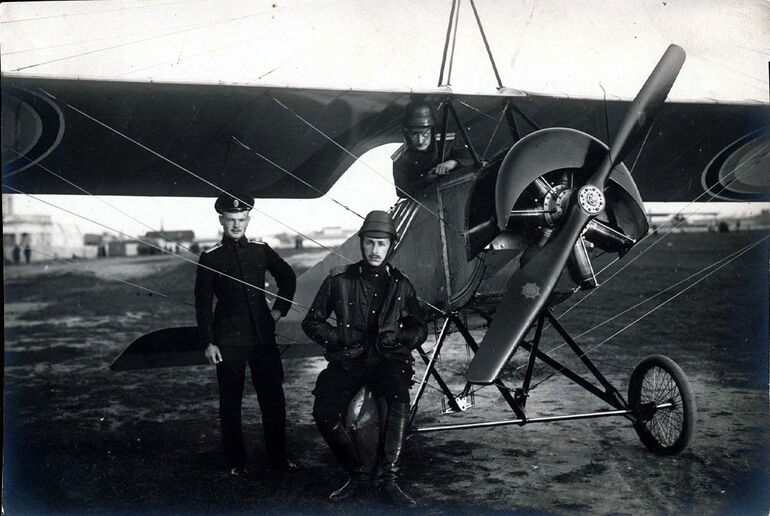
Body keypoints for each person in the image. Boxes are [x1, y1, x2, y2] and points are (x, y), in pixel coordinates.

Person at [302, 210, 428, 507]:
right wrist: (339, 338)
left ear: (391, 246)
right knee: (323, 412)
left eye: (382, 244)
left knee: (398, 396)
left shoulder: (401, 284)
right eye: (370, 242)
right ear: (361, 243)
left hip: (387, 360)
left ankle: (389, 480)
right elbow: (312, 321)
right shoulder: (339, 279)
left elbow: (419, 327)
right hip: (349, 359)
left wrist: (399, 338)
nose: (375, 250)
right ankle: (357, 474)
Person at [195, 191, 297, 475]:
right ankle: (235, 462)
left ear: (248, 219)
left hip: (263, 337)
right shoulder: (211, 257)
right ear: (221, 220)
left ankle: (278, 459)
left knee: (273, 399)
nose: (236, 225)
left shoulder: (260, 250)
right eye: (231, 219)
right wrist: (209, 342)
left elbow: (287, 276)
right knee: (231, 402)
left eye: (241, 219)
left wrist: (278, 311)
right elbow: (203, 303)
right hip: (229, 341)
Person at [392, 101, 474, 198]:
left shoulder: (448, 142)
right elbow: (401, 192)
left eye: (425, 134)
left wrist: (452, 163)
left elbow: (475, 159)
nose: (420, 140)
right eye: (414, 135)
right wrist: (426, 179)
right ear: (407, 134)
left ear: (432, 129)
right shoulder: (400, 159)